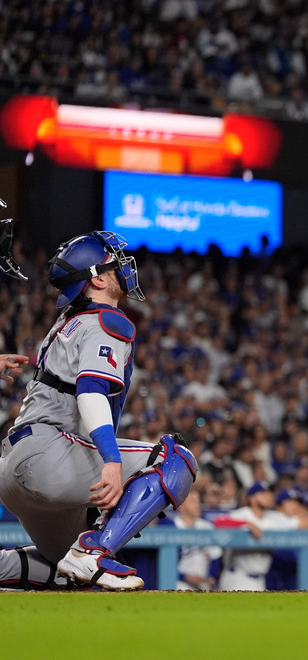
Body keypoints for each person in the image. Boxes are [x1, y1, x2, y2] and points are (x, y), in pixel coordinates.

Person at [0, 230, 198, 591]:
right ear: (98, 277)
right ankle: (94, 550)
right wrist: (111, 459)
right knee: (177, 459)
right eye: (115, 262)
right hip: (49, 456)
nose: (124, 267)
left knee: (68, 573)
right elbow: (90, 393)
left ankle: (16, 565)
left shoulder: (67, 322)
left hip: (13, 468)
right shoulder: (107, 320)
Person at [214, 482, 308, 591]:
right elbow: (218, 522)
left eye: (269, 493)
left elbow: (305, 522)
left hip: (259, 579)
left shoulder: (275, 518)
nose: (269, 496)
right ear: (252, 498)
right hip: (236, 576)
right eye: (263, 493)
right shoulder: (242, 514)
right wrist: (246, 523)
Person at [171, 491, 222, 591]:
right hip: (179, 581)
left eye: (198, 502)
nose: (197, 505)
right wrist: (185, 577)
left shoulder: (207, 527)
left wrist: (211, 578)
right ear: (181, 505)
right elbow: (167, 564)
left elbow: (216, 556)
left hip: (203, 582)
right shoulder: (173, 527)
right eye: (192, 502)